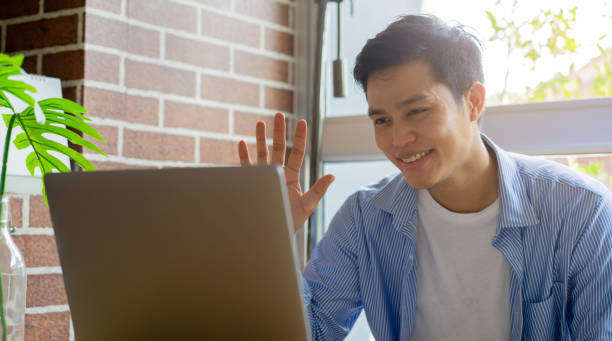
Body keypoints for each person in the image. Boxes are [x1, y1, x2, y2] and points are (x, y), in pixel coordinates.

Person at [237, 14, 612, 341]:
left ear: (474, 102)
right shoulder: (364, 218)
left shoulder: (581, 212)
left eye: (417, 111)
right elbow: (313, 333)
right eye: (382, 120)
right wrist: (269, 242)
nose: (398, 140)